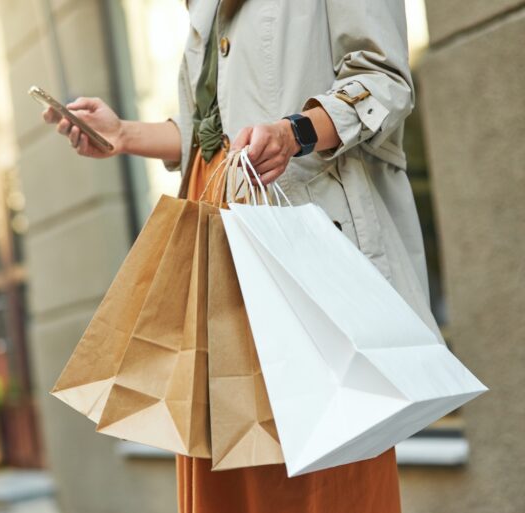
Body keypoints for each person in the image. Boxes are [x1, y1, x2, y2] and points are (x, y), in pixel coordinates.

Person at [43, 1, 436, 512]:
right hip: (217, 258)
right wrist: (123, 134)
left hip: (300, 256)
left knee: (319, 474)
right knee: (227, 471)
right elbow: (213, 133)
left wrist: (295, 131)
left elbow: (385, 81)